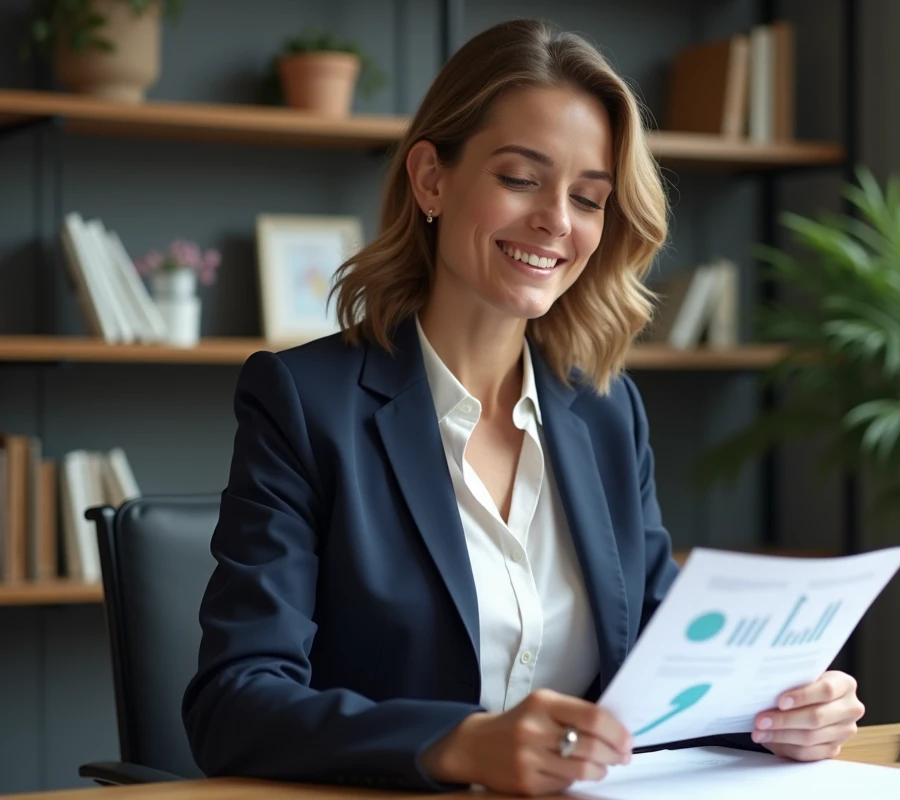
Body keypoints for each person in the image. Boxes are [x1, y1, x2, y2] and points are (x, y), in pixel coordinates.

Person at [181, 17, 864, 797]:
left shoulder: (607, 412)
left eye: (589, 197)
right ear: (431, 179)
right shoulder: (305, 404)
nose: (557, 222)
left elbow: (665, 667)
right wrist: (458, 745)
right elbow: (233, 705)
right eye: (519, 178)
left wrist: (782, 709)